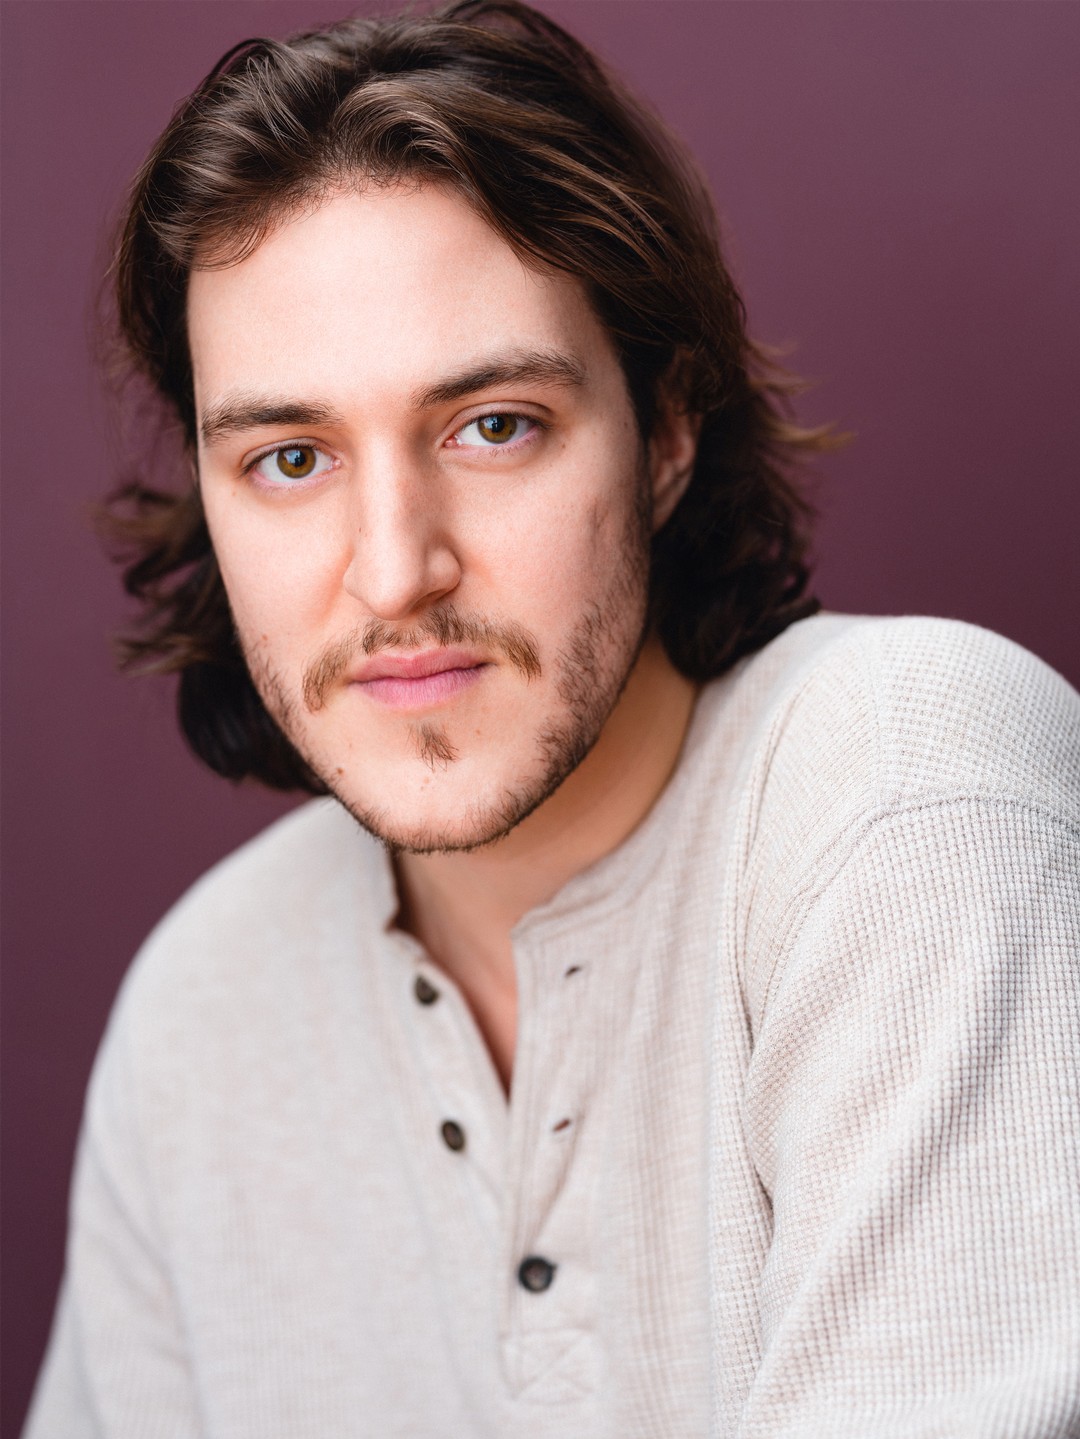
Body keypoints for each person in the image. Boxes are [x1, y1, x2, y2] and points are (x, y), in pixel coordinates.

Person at [25, 2, 1079, 1435]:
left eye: (494, 426)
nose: (395, 570)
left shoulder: (906, 793)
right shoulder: (201, 1016)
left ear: (667, 431)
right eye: (290, 458)